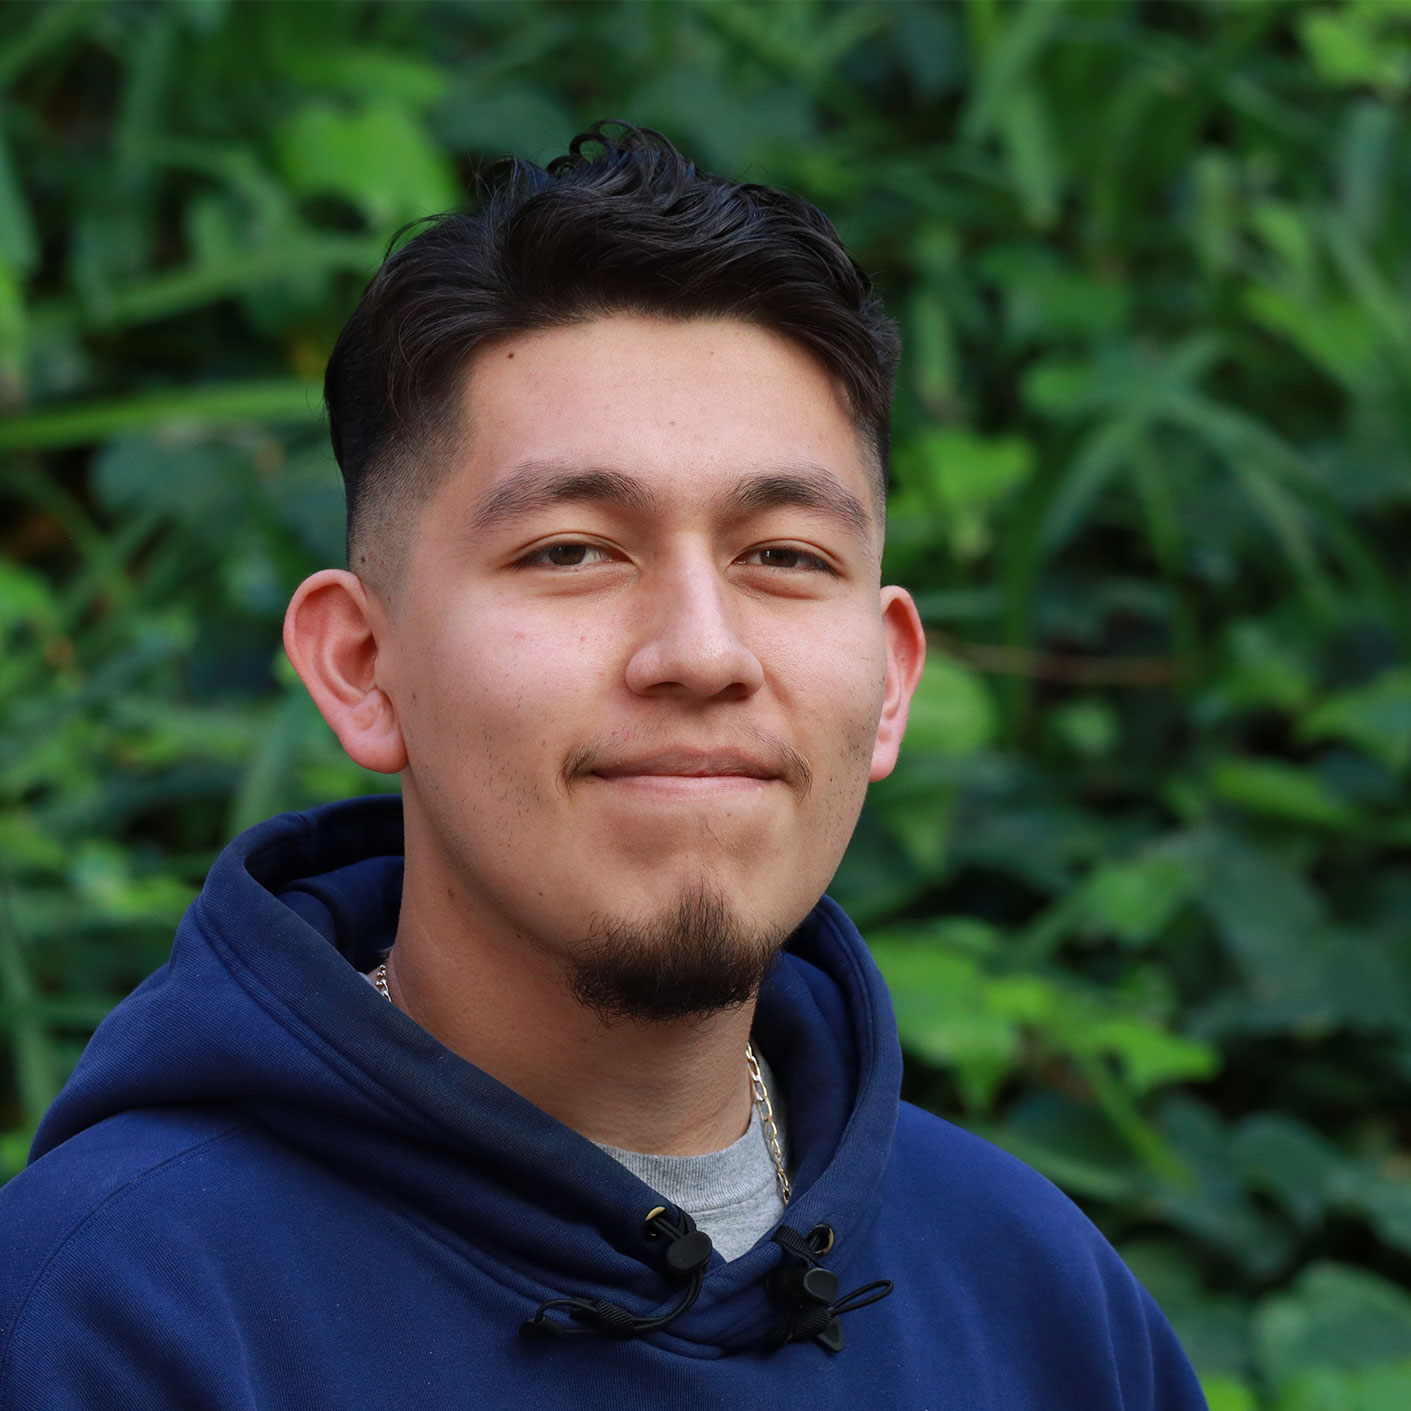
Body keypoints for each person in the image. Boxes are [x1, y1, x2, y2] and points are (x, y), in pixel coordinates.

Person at [0, 122, 1207, 1409]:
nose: (701, 650)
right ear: (360, 663)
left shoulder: (1035, 1296)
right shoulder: (114, 1308)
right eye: (573, 550)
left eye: (786, 556)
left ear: (892, 677)